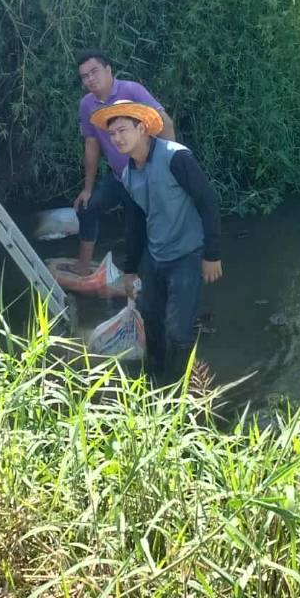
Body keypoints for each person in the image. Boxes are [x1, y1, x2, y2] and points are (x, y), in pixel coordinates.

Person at [89, 98, 221, 382]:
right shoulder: (128, 173)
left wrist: (212, 255)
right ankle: (155, 377)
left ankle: (179, 388)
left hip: (188, 254)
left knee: (178, 329)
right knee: (149, 316)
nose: (117, 138)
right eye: (112, 134)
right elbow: (135, 223)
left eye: (123, 130)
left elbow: (208, 201)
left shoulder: (176, 157)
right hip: (157, 255)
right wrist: (130, 269)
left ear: (142, 128)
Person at [73, 50, 174, 277]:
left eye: (94, 71)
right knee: (87, 207)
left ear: (109, 69)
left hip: (144, 175)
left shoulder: (131, 91)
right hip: (119, 176)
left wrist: (168, 168)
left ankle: (145, 277)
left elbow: (165, 122)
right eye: (84, 76)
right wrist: (87, 189)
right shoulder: (87, 104)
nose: (90, 79)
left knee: (137, 228)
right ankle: (83, 267)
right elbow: (92, 145)